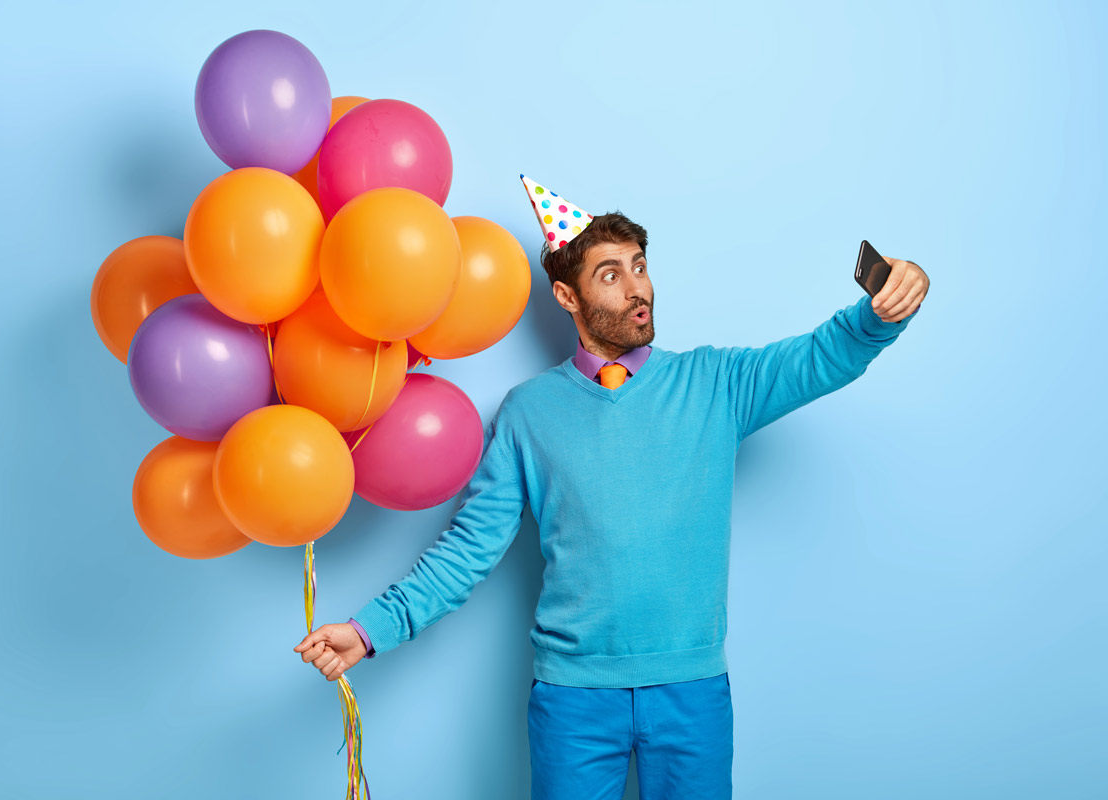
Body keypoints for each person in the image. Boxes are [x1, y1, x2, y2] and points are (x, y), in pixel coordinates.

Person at [294, 175, 929, 799]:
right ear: (567, 298)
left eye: (640, 266)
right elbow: (469, 549)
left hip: (692, 691)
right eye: (610, 275)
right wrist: (372, 627)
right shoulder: (527, 413)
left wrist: (883, 306)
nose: (637, 289)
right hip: (572, 701)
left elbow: (820, 356)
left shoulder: (716, 383)